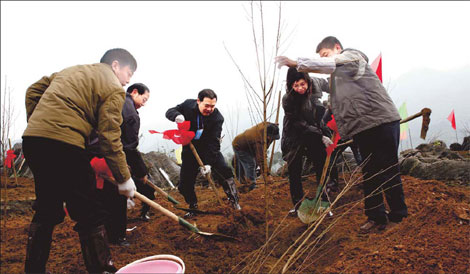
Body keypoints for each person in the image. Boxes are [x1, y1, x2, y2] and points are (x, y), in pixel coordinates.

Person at [275, 36, 408, 232]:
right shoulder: (337, 78)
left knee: (388, 168)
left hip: (381, 121)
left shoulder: (353, 58)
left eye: (325, 55)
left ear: (337, 48)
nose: (324, 59)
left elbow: (331, 64)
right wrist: (300, 78)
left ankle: (399, 215)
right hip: (362, 128)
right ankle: (376, 217)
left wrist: (297, 63)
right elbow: (318, 83)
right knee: (370, 172)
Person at [22, 48, 137, 273]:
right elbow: (109, 136)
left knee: (47, 209)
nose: (127, 81)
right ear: (115, 66)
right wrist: (124, 178)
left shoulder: (71, 71)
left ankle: (33, 270)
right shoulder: (113, 88)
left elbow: (33, 90)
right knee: (89, 211)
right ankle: (103, 269)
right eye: (128, 73)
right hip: (66, 145)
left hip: (34, 141)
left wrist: (38, 120)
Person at [165, 89, 241, 217]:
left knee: (225, 171)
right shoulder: (188, 105)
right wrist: (177, 116)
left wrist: (208, 163)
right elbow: (170, 111)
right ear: (198, 101)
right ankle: (192, 205)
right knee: (184, 184)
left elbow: (214, 142)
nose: (209, 109)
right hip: (190, 149)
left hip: (209, 148)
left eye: (212, 106)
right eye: (206, 105)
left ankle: (234, 201)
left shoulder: (217, 118)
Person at [281, 67, 333, 215]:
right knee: (294, 170)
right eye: (295, 86)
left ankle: (323, 203)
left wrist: (325, 133)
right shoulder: (288, 99)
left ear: (308, 81)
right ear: (290, 85)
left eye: (302, 84)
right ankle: (298, 206)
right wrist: (320, 135)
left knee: (321, 166)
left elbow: (333, 85)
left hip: (314, 133)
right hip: (295, 134)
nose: (300, 89)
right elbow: (298, 123)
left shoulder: (316, 86)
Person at [119, 83, 155, 222]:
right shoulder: (131, 113)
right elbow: (130, 146)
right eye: (144, 99)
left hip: (106, 153)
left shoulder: (117, 100)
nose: (144, 104)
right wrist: (141, 172)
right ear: (134, 92)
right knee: (146, 186)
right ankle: (118, 235)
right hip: (120, 156)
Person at [232, 122, 280, 190]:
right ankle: (251, 186)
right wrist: (267, 175)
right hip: (239, 146)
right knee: (250, 164)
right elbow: (260, 158)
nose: (272, 140)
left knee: (247, 164)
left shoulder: (268, 127)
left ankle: (243, 182)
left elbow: (266, 123)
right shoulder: (258, 139)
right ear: (268, 136)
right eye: (272, 138)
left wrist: (274, 125)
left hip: (249, 145)